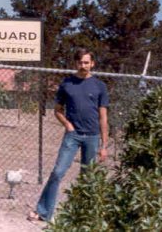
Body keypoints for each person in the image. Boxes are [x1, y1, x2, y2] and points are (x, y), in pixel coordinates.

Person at [28, 48, 109, 222]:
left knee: (89, 177)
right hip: (72, 136)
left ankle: (84, 216)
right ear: (75, 63)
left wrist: (104, 146)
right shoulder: (67, 84)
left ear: (92, 64)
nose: (83, 65)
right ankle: (43, 212)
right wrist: (67, 124)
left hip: (93, 137)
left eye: (86, 62)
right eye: (80, 62)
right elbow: (57, 110)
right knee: (58, 172)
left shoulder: (99, 86)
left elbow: (103, 117)